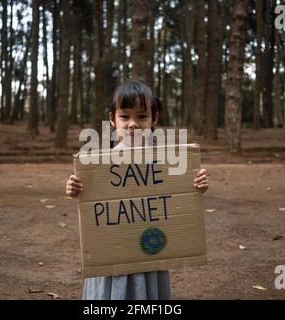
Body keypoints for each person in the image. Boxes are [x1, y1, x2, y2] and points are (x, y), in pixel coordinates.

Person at [66, 80, 209, 299]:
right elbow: (85, 196)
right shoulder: (99, 164)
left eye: (142, 117)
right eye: (125, 116)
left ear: (154, 119)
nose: (133, 124)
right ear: (113, 120)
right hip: (112, 254)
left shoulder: (166, 162)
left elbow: (182, 193)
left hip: (150, 251)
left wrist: (197, 183)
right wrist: (73, 187)